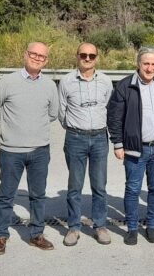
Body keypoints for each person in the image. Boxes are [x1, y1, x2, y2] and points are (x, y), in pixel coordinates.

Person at [0, 42, 59, 255]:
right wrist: (9, 123)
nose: (36, 58)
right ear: (25, 55)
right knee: (6, 194)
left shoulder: (49, 85)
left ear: (46, 61)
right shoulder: (8, 81)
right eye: (33, 54)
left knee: (38, 195)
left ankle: (36, 234)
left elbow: (53, 114)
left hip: (39, 150)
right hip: (11, 150)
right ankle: (0, 236)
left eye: (41, 56)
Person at [107, 46, 154, 245]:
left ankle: (152, 226)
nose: (150, 68)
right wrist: (118, 143)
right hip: (135, 149)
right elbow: (114, 117)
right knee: (133, 189)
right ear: (138, 64)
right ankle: (132, 228)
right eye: (146, 63)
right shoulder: (125, 86)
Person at [58, 43, 114, 246]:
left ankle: (100, 225)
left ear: (97, 58)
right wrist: (76, 128)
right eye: (83, 55)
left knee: (99, 185)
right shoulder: (66, 81)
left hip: (100, 138)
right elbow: (61, 112)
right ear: (77, 56)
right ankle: (73, 227)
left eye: (91, 55)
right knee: (75, 186)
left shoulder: (106, 82)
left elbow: (108, 107)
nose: (87, 58)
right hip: (75, 138)